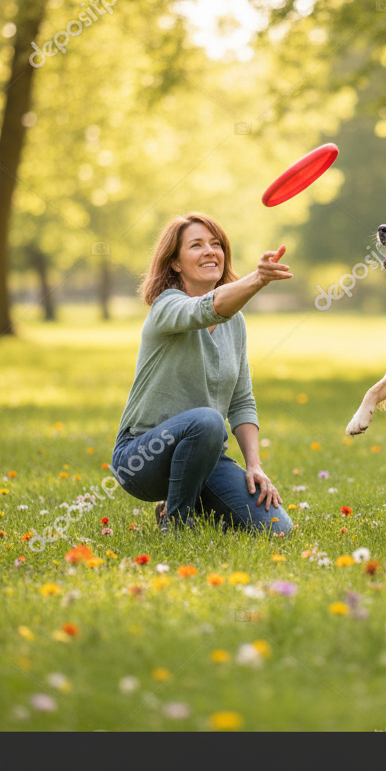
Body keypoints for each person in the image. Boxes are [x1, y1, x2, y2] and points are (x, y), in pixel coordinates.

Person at [111, 212, 295, 535]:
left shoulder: (235, 322)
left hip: (203, 456)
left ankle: (185, 500)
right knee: (209, 420)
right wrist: (258, 279)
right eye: (196, 245)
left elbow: (241, 401)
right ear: (175, 263)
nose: (210, 251)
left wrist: (254, 465)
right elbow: (204, 309)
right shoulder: (166, 307)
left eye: (216, 244)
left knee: (277, 527)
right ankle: (176, 521)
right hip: (141, 457)